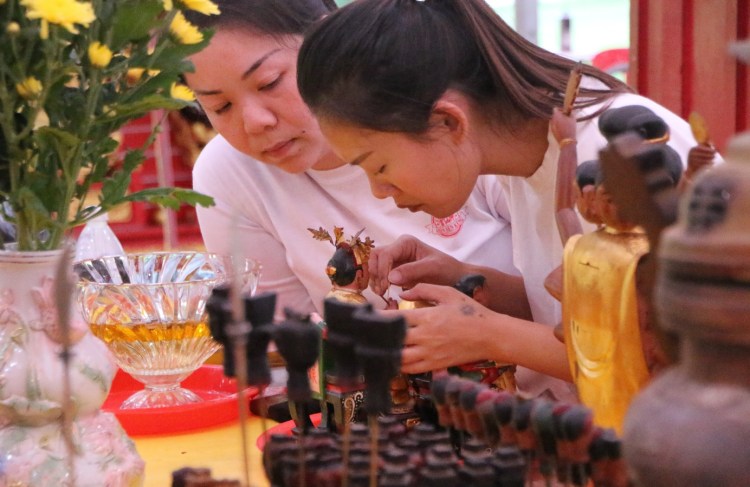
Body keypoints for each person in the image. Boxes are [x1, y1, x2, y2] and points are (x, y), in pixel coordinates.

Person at [296, 0, 702, 399]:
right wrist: (467, 281)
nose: (378, 191)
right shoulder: (527, 160)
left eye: (379, 167)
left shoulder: (620, 153)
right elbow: (576, 315)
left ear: (448, 121)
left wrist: (486, 335)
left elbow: (671, 360)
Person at [182, 0, 525, 321]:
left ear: (328, 43)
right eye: (220, 107)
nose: (255, 122)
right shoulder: (229, 173)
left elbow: (565, 306)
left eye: (270, 82)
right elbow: (283, 346)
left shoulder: (436, 112)